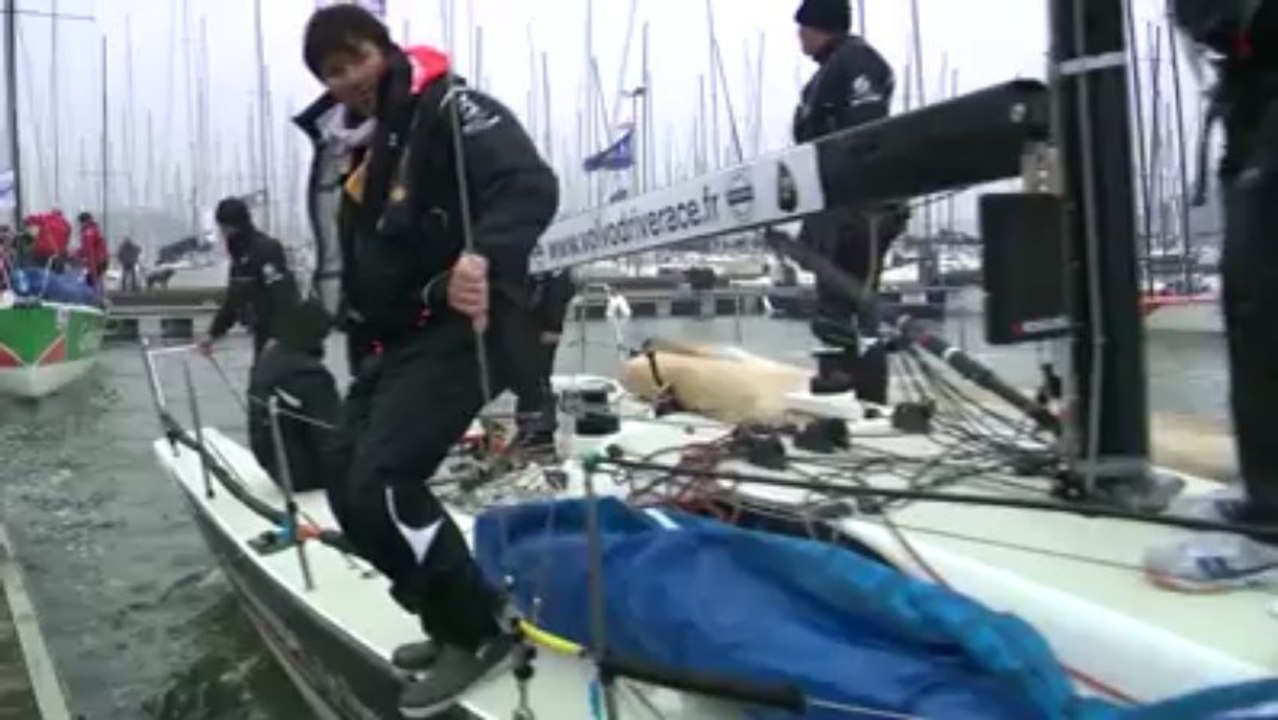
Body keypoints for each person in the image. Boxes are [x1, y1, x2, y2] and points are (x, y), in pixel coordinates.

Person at [296, 5, 559, 714]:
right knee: (344, 484)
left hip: (466, 327)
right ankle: (447, 619)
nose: (348, 79)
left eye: (356, 58)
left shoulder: (451, 106)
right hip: (392, 341)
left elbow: (530, 185)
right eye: (331, 71)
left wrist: (484, 255)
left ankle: (476, 635)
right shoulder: (354, 149)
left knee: (386, 481)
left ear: (384, 49)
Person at [1145, 0, 1278, 591]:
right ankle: (1264, 489)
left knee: (1264, 293)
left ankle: (1271, 524)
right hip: (1252, 87)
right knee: (1249, 300)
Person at [792, 0, 909, 403]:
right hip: (831, 205)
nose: (799, 37)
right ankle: (835, 389)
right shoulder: (826, 72)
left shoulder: (859, 62)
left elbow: (866, 133)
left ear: (823, 28)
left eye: (804, 28)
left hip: (864, 207)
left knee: (857, 302)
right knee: (832, 306)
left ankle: (869, 399)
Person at [247, 297, 342, 493]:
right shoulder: (312, 375)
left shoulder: (267, 361)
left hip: (277, 468)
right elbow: (330, 436)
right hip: (306, 476)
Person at [197, 197, 298, 363]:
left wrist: (277, 337)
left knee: (266, 384)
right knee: (258, 385)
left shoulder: (267, 249)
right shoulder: (238, 257)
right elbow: (234, 300)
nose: (222, 232)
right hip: (260, 332)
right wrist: (212, 334)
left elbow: (284, 296)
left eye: (223, 227)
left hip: (279, 338)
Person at [510, 271, 577, 450]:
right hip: (535, 343)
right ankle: (532, 429)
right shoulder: (540, 281)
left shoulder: (560, 281)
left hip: (550, 342)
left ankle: (540, 430)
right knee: (533, 385)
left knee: (544, 385)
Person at [76, 211, 109, 289]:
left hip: (97, 261)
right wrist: (77, 252)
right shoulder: (94, 229)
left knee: (91, 281)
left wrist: (92, 267)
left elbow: (90, 250)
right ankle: (99, 296)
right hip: (102, 260)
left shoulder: (88, 232)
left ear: (83, 221)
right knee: (96, 280)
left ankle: (94, 298)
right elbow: (86, 248)